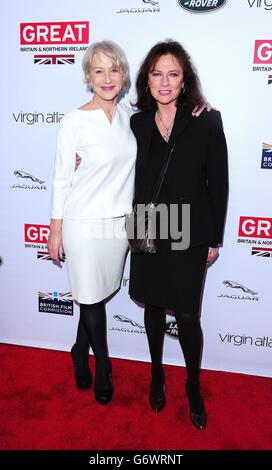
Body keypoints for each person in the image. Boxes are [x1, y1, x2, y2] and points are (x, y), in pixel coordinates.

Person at [129, 40, 228, 429]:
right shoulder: (134, 123)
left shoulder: (207, 120)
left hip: (190, 228)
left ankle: (191, 384)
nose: (164, 82)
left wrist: (214, 239)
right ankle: (156, 372)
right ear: (147, 80)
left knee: (187, 314)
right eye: (157, 73)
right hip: (147, 223)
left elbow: (217, 183)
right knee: (152, 306)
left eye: (173, 74)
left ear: (185, 80)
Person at [47, 40, 137, 405]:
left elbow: (168, 121)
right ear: (88, 76)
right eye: (98, 70)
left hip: (118, 224)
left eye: (113, 69)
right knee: (90, 298)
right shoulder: (73, 121)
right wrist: (55, 229)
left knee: (93, 295)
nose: (107, 77)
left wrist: (200, 107)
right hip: (82, 222)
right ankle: (103, 365)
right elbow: (60, 178)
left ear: (123, 74)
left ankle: (77, 349)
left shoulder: (130, 115)